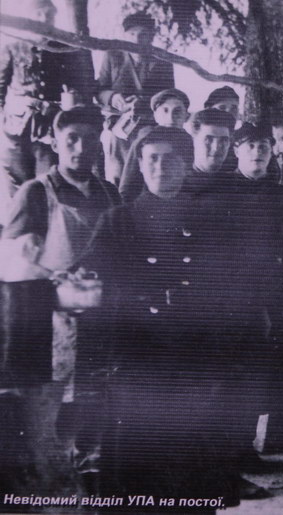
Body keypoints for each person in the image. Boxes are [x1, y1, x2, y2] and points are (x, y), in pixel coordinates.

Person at [79, 126, 269, 509]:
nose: (160, 167)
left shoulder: (215, 221)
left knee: (195, 478)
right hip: (140, 366)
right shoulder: (117, 222)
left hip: (199, 365)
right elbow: (92, 291)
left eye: (170, 159)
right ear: (140, 165)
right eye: (152, 158)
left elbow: (239, 291)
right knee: (139, 474)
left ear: (185, 165)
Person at [2, 106, 119, 487]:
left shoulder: (109, 192)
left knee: (97, 407)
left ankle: (93, 479)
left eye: (90, 139)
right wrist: (56, 285)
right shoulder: (36, 192)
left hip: (101, 319)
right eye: (72, 139)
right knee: (50, 420)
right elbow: (13, 268)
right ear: (55, 143)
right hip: (50, 326)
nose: (81, 148)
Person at [0, 0, 96, 225]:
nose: (45, 20)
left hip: (49, 127)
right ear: (29, 18)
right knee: (17, 185)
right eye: (40, 14)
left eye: (50, 15)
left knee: (48, 181)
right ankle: (22, 232)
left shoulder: (63, 49)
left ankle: (47, 231)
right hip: (16, 128)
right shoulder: (12, 48)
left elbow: (76, 86)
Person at [96, 11, 175, 186]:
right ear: (124, 35)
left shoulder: (163, 61)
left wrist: (145, 102)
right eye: (132, 34)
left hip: (148, 121)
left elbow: (169, 97)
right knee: (114, 141)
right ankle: (116, 187)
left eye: (143, 34)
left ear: (151, 37)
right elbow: (100, 90)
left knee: (146, 144)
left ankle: (139, 186)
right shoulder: (113, 56)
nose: (136, 40)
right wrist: (113, 98)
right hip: (117, 119)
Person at [118, 87, 191, 202]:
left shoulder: (190, 142)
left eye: (177, 112)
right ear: (155, 116)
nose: (171, 117)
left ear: (186, 116)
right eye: (165, 111)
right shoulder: (144, 141)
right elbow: (127, 187)